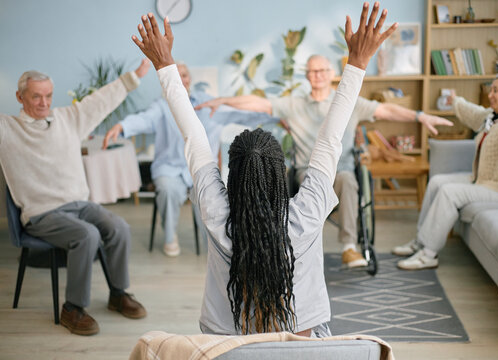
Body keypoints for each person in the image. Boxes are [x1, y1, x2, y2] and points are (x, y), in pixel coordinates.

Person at [132, 2, 396, 336]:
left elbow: (194, 137)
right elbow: (331, 139)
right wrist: (358, 62)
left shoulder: (216, 215)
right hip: (304, 349)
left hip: (227, 351)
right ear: (278, 176)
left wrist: (164, 65)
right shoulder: (307, 215)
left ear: (231, 175)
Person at [195, 51, 452, 270]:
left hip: (341, 173)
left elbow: (386, 110)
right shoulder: (294, 104)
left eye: (321, 70)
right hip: (307, 172)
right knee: (311, 181)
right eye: (311, 71)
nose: (316, 75)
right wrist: (224, 100)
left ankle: (349, 247)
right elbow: (258, 103)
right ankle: (294, 248)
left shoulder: (348, 103)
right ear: (306, 76)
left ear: (331, 73)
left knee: (348, 179)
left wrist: (419, 116)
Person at [0, 60, 150, 336]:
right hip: (41, 214)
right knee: (88, 235)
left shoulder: (67, 119)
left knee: (119, 227)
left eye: (48, 95)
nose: (44, 102)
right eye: (36, 96)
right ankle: (73, 308)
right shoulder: (7, 129)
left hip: (80, 204)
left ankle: (118, 294)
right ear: (20, 97)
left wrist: (135, 76)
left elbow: (101, 99)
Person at [102, 63, 277, 257]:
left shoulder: (208, 103)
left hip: (200, 171)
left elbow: (240, 114)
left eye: (184, 75)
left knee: (208, 198)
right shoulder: (162, 106)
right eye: (176, 76)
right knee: (168, 190)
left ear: (189, 79)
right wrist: (122, 126)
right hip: (170, 169)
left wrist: (276, 117)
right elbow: (144, 119)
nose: (181, 79)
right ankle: (170, 237)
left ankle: (213, 246)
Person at [393, 71, 498, 270]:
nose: (490, 94)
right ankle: (420, 241)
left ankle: (428, 254)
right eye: (491, 89)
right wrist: (455, 100)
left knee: (449, 192)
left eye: (496, 90)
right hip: (484, 180)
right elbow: (472, 112)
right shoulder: (492, 116)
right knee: (437, 181)